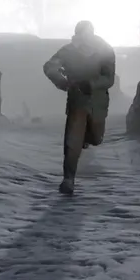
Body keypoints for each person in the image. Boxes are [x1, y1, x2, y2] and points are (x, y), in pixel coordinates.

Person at [42, 21, 116, 195]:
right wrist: (62, 82)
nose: (85, 37)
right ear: (77, 34)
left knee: (96, 138)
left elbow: (109, 78)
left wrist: (91, 84)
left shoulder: (105, 50)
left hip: (98, 103)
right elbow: (50, 66)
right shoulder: (68, 51)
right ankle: (68, 179)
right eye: (82, 33)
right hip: (77, 101)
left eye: (88, 33)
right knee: (72, 141)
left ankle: (86, 138)